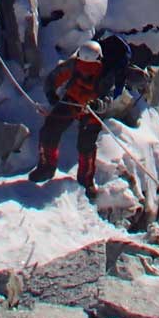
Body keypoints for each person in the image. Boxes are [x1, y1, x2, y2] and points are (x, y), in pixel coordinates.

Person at [28, 34, 131, 200]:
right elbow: (55, 77)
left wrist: (96, 105)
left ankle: (82, 179)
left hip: (89, 108)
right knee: (52, 131)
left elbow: (107, 97)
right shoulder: (78, 64)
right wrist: (51, 93)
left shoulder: (104, 73)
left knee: (84, 145)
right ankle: (58, 171)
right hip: (77, 102)